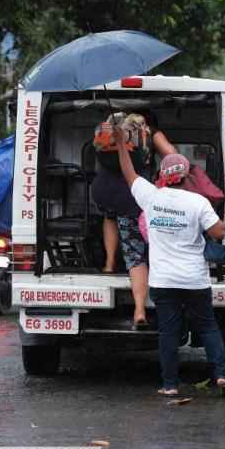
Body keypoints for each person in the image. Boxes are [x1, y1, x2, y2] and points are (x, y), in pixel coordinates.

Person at [114, 127, 225, 397]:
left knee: (168, 332)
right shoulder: (198, 202)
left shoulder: (151, 197)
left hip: (163, 281)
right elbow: (218, 233)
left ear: (162, 176)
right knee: (207, 327)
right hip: (194, 279)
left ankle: (169, 385)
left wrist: (122, 144)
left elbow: (129, 174)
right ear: (186, 176)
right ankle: (221, 376)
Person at [92, 112, 176, 329]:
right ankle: (139, 309)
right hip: (134, 195)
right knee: (137, 253)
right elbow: (172, 154)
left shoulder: (111, 130)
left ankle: (109, 264)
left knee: (110, 217)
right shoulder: (150, 132)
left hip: (104, 190)